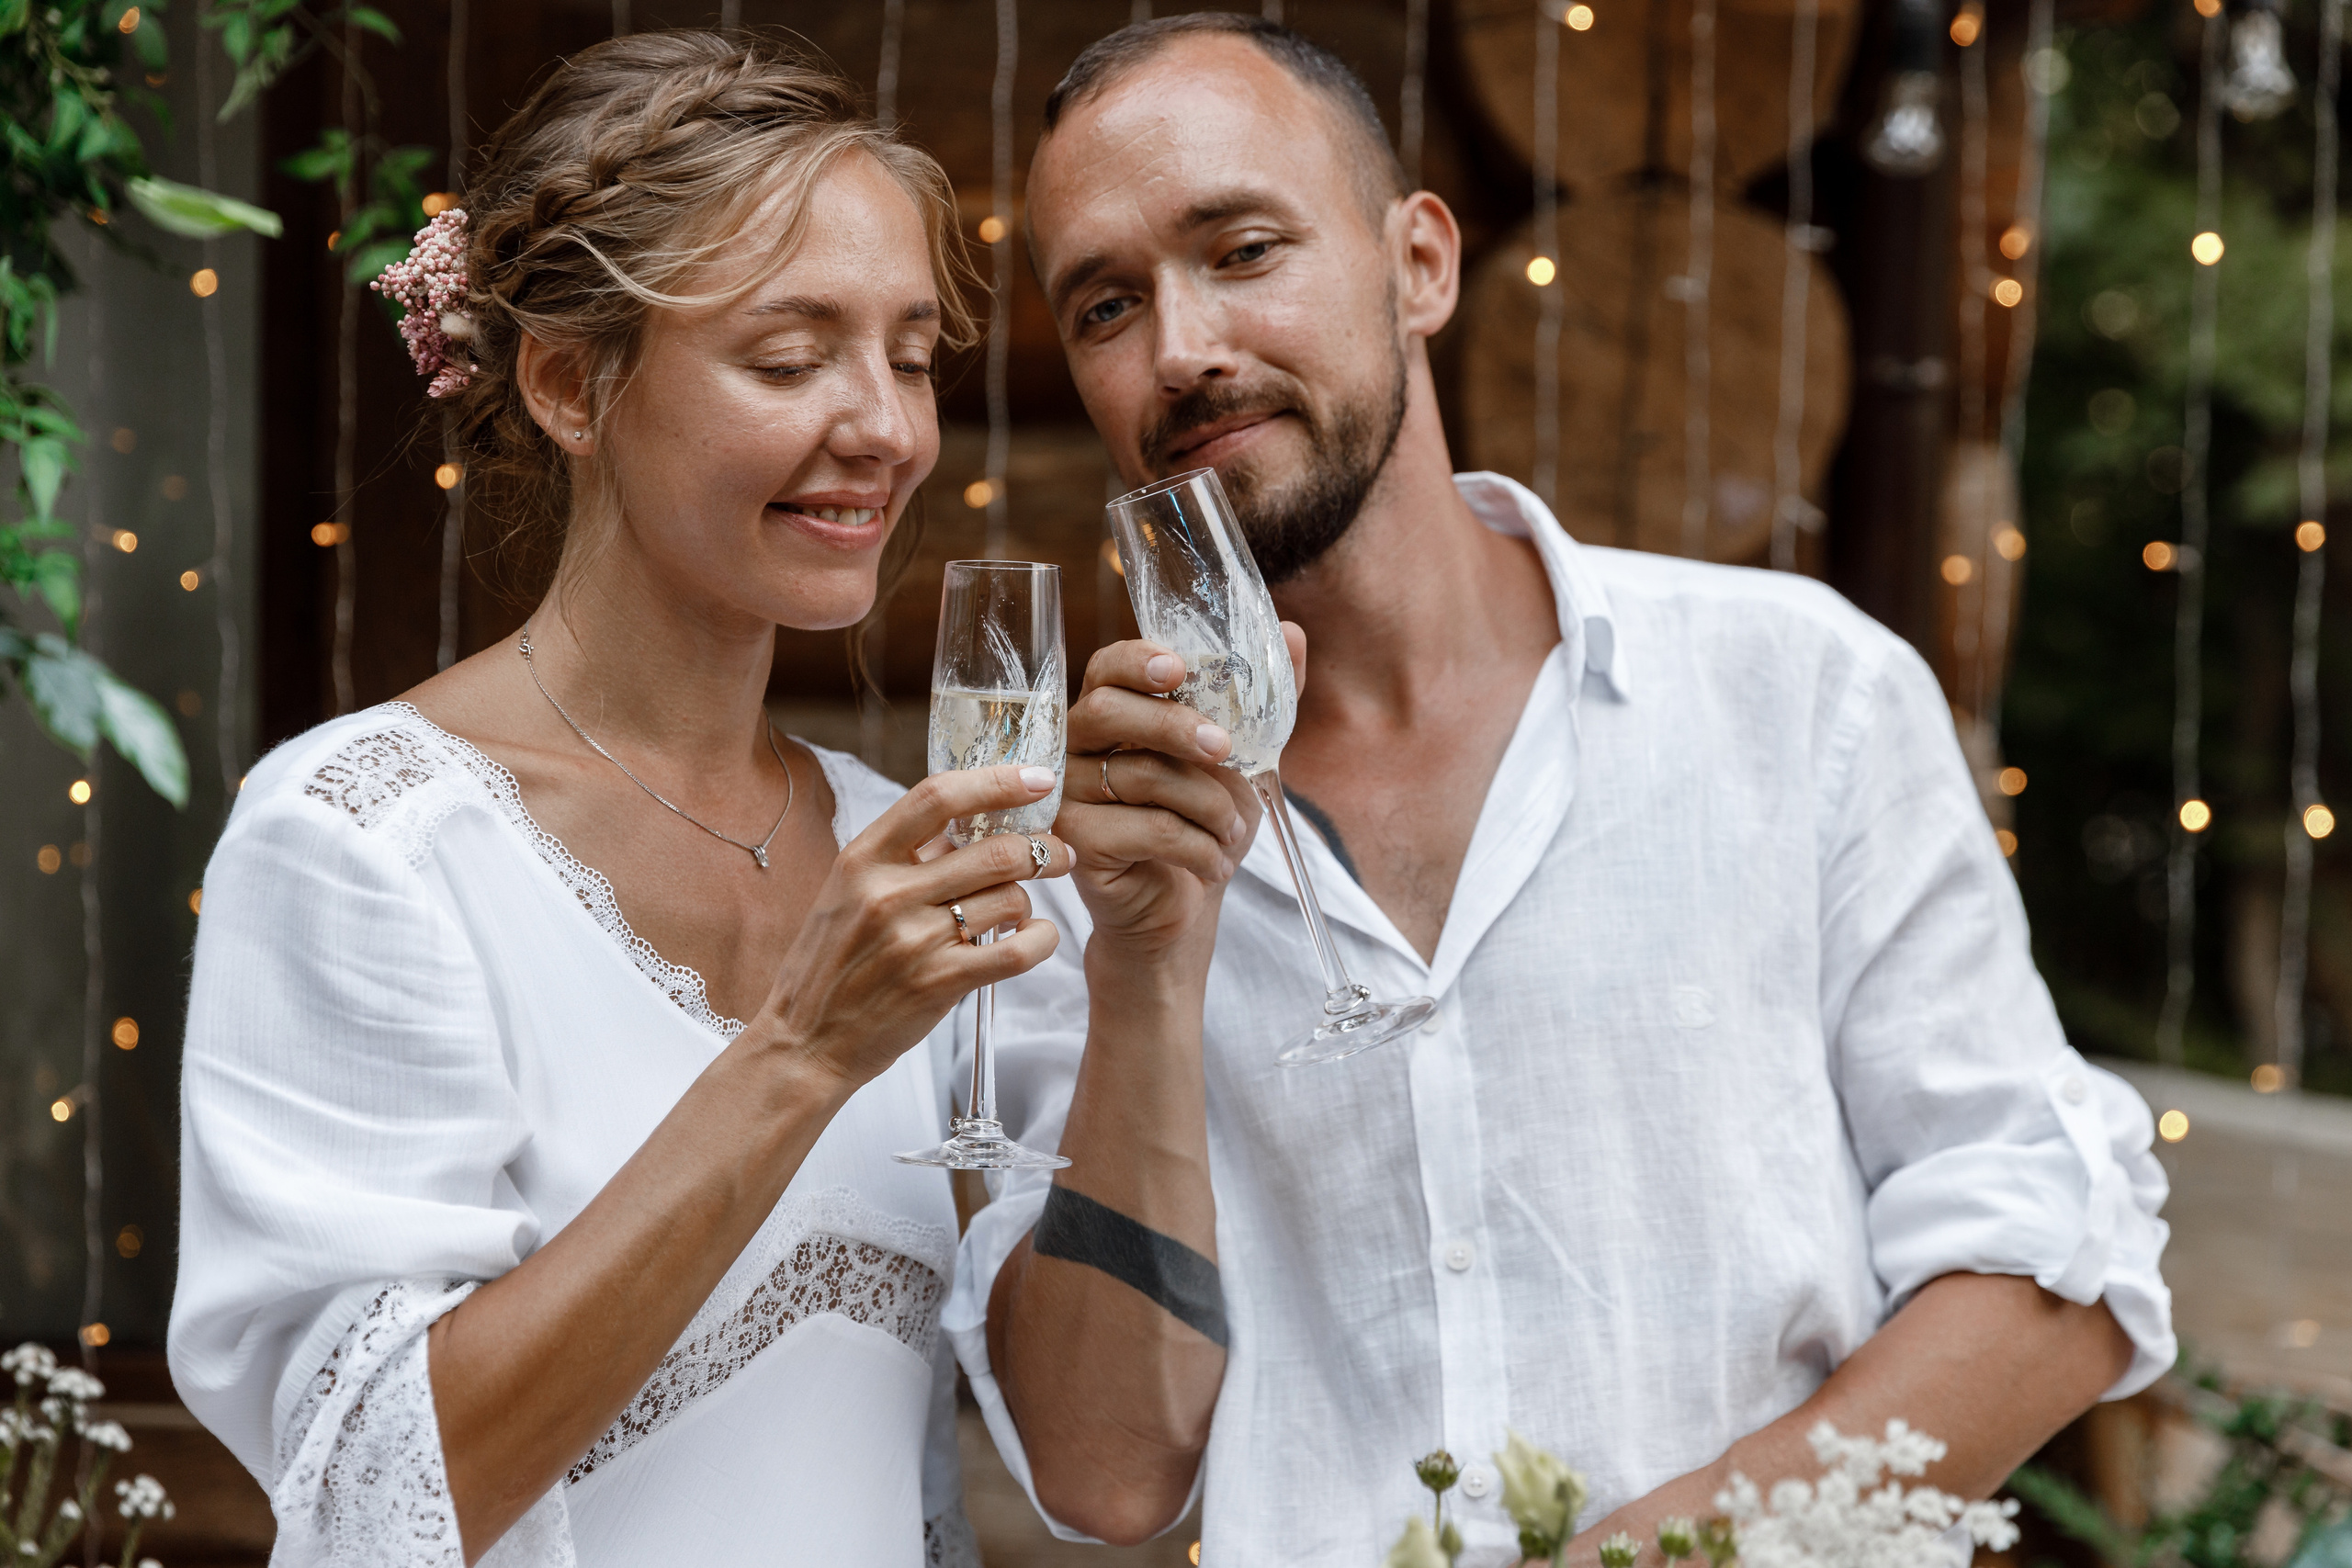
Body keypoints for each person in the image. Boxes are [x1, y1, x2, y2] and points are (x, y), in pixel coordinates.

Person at [944, 16, 2175, 1567]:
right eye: (1109, 304)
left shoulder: (1802, 694)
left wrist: (1671, 1552)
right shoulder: (1072, 847)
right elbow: (1107, 1475)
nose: (1181, 347)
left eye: (1244, 249)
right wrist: (1142, 972)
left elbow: (2056, 1262)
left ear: (1422, 267)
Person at [168, 33, 1066, 1567]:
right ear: (572, 383)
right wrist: (794, 1060)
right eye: (791, 358)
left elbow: (1058, 1453)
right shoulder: (365, 839)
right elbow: (382, 1490)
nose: (888, 428)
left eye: (912, 354)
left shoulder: (891, 838)